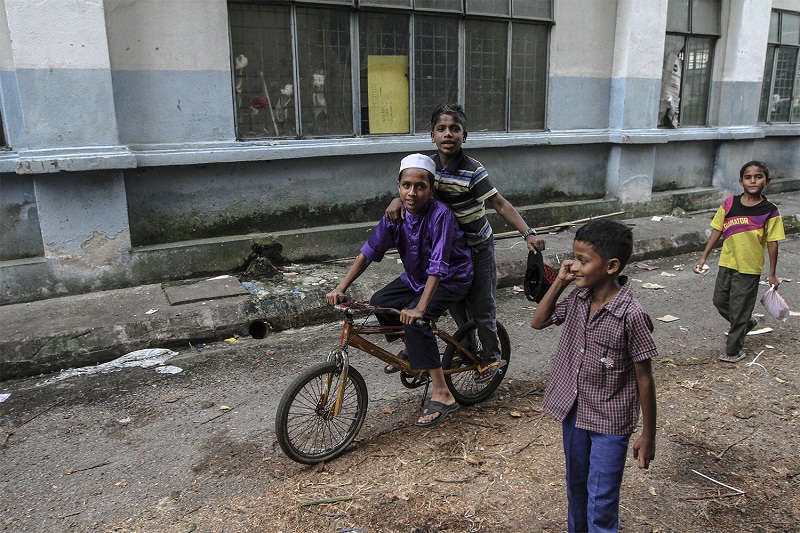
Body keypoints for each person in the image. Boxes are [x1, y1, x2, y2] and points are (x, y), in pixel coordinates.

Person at [386, 103, 546, 382]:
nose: (448, 134)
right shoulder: (427, 167)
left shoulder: (473, 170)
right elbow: (411, 188)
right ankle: (466, 347)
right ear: (432, 136)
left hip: (477, 247)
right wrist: (396, 199)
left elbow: (499, 203)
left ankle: (492, 356)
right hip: (446, 249)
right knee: (454, 304)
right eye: (441, 129)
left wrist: (527, 233)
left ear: (464, 135)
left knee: (482, 305)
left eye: (454, 129)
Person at [327, 153, 474, 428]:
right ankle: (411, 347)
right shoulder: (394, 214)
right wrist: (341, 286)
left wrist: (420, 309)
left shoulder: (441, 215)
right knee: (379, 301)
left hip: (451, 278)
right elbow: (368, 253)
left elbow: (438, 266)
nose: (412, 192)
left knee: (417, 321)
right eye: (406, 185)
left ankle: (443, 393)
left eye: (420, 186)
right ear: (398, 186)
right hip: (415, 277)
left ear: (431, 190)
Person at [531, 219, 657, 533]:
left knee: (601, 503)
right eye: (573, 257)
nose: (574, 265)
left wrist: (648, 434)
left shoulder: (632, 314)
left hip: (610, 423)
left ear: (612, 266)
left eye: (583, 261)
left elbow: (645, 378)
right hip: (573, 413)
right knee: (576, 489)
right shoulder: (577, 298)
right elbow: (538, 321)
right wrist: (558, 283)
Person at [694, 160, 785, 363]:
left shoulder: (770, 211)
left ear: (767, 181)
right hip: (727, 263)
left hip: (749, 268)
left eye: (758, 177)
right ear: (741, 181)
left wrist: (772, 273)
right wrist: (703, 256)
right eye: (748, 177)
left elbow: (772, 242)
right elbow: (717, 229)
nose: (753, 181)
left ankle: (734, 351)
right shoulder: (729, 204)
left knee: (739, 307)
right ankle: (745, 322)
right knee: (720, 301)